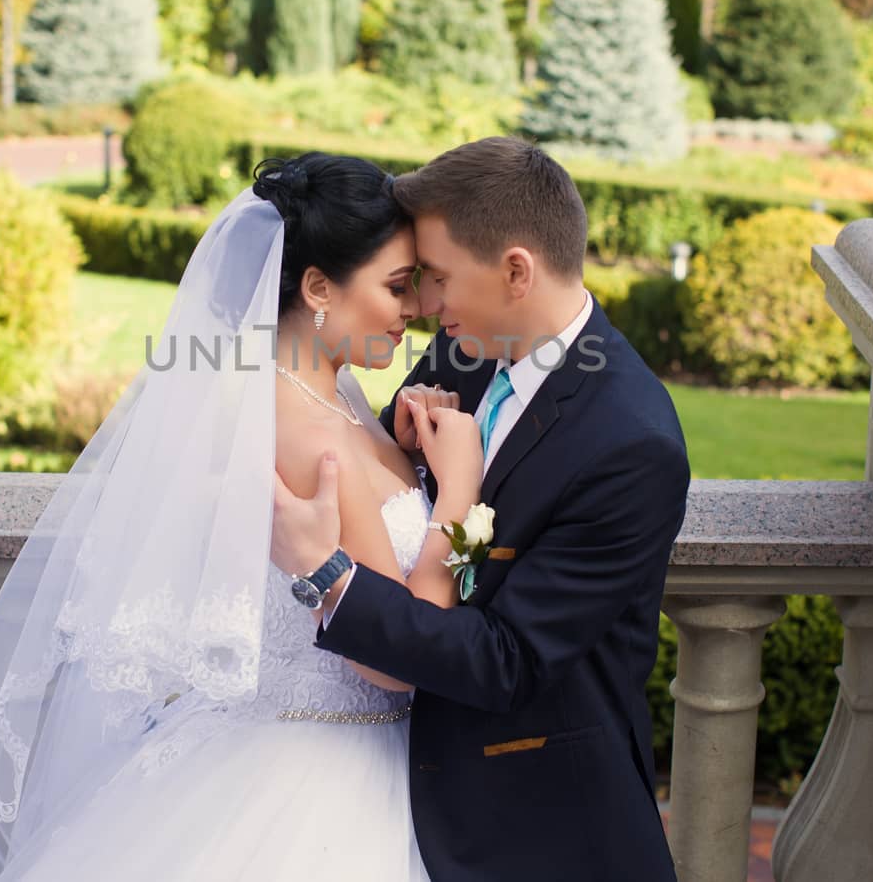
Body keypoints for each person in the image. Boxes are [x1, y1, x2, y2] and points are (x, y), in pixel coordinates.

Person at [0, 152, 484, 881]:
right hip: (325, 779)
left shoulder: (329, 390)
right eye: (395, 286)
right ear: (318, 286)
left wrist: (409, 458)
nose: (415, 308)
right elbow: (391, 663)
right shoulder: (309, 434)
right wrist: (455, 492)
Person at [272, 135, 692, 882]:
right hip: (380, 788)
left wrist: (324, 574)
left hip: (537, 826)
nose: (424, 306)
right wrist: (406, 440)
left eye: (435, 278)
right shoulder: (467, 351)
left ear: (516, 270)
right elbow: (415, 506)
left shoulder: (631, 442)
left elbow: (506, 659)